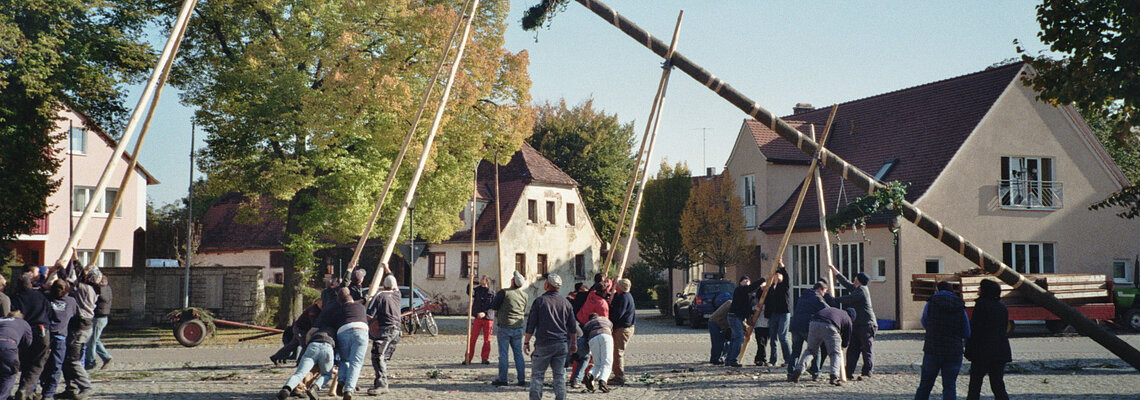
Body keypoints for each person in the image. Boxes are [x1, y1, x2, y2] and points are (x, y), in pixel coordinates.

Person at [524, 274, 577, 400]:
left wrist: (526, 342)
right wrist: (574, 343)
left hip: (544, 343)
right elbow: (572, 326)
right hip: (561, 343)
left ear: (547, 284)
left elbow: (531, 324)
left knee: (537, 375)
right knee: (559, 375)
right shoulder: (566, 303)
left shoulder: (540, 301)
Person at [915, 281, 970, 400]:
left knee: (925, 385)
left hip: (933, 347)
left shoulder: (931, 302)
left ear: (937, 290)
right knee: (950, 386)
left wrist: (932, 331)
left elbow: (924, 320)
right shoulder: (960, 305)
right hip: (954, 349)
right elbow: (966, 330)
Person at [58, 267, 100, 399]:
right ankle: (71, 388)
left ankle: (86, 386)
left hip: (80, 327)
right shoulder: (93, 288)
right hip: (83, 326)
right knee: (67, 359)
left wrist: (60, 268)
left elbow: (66, 282)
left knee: (72, 359)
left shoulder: (84, 288)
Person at [965, 279, 1010, 400]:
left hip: (982, 351)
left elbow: (975, 329)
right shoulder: (1002, 307)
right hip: (1000, 350)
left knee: (975, 384)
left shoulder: (981, 305)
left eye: (980, 288)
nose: (978, 290)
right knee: (997, 384)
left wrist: (969, 349)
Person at [831, 265, 877, 380]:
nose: (854, 279)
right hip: (857, 324)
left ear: (859, 280)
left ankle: (867, 373)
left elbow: (849, 299)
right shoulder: (857, 288)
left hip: (867, 324)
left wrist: (834, 299)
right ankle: (848, 372)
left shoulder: (862, 290)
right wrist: (835, 272)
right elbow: (846, 283)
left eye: (856, 278)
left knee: (867, 349)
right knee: (853, 350)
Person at [790, 306, 854, 387]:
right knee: (835, 353)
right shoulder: (847, 318)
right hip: (830, 325)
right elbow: (847, 337)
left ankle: (799, 370)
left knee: (810, 351)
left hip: (814, 323)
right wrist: (843, 345)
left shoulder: (835, 310)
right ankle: (834, 376)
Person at [11, 273, 50, 400]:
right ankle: (25, 389)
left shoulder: (16, 298)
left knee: (26, 362)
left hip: (24, 332)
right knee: (38, 363)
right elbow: (49, 312)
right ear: (31, 284)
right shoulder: (41, 296)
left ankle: (26, 390)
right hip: (41, 331)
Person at [276, 325, 337, 400]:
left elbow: (309, 334)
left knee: (300, 373)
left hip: (312, 345)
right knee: (326, 374)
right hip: (328, 347)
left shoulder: (318, 323)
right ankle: (314, 388)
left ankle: (287, 388)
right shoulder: (336, 327)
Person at [788, 281, 833, 381]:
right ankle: (816, 373)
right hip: (807, 326)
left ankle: (790, 373)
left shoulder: (802, 296)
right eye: (824, 291)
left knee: (796, 351)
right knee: (815, 349)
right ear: (819, 289)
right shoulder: (817, 297)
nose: (824, 294)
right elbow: (828, 310)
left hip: (795, 326)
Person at [491, 272, 528, 387]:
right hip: (518, 327)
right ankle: (521, 379)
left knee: (503, 354)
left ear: (512, 281)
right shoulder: (524, 295)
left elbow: (494, 306)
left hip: (505, 326)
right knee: (518, 354)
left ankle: (503, 379)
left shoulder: (504, 293)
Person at [366, 274, 402, 396]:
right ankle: (379, 383)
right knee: (383, 358)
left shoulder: (379, 296)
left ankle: (382, 385)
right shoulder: (397, 295)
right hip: (397, 331)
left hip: (385, 330)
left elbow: (369, 315)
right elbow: (394, 285)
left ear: (383, 285)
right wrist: (386, 268)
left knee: (377, 356)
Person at [40, 280, 76, 400]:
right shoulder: (71, 301)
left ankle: (34, 388)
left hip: (45, 334)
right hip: (60, 336)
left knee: (40, 363)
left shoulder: (46, 297)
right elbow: (74, 316)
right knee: (56, 366)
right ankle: (48, 394)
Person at [334, 287, 369, 400]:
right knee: (356, 362)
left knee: (344, 360)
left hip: (343, 330)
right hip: (361, 330)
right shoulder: (361, 307)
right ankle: (349, 390)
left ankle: (341, 380)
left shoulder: (339, 310)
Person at [270, 300, 322, 366]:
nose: (322, 305)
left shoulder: (320, 310)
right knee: (305, 345)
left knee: (292, 345)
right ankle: (300, 363)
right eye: (321, 303)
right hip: (300, 329)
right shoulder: (313, 310)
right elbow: (313, 323)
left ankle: (275, 357)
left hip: (302, 329)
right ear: (318, 302)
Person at [608, 278, 635, 387]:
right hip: (623, 328)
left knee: (618, 352)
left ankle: (619, 377)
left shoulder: (624, 298)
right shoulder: (621, 296)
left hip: (623, 328)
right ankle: (617, 374)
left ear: (620, 287)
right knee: (617, 351)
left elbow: (618, 314)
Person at [764, 267, 792, 370]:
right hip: (773, 314)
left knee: (783, 336)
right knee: (773, 338)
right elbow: (766, 299)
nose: (777, 276)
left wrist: (783, 267)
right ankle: (773, 360)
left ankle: (788, 360)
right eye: (775, 275)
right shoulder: (772, 287)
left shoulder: (784, 286)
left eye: (778, 275)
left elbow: (787, 278)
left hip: (784, 313)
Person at [0, 311, 31, 400]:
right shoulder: (23, 323)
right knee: (10, 374)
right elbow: (27, 342)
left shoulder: (1, 320)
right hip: (8, 346)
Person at [465, 275, 495, 365]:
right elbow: (469, 292)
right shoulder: (477, 290)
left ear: (487, 281)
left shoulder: (492, 293)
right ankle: (468, 358)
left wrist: (485, 313)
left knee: (487, 339)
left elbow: (493, 306)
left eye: (483, 278)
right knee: (472, 338)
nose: (481, 279)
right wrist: (470, 281)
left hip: (487, 318)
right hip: (478, 317)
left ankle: (485, 358)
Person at [724, 275, 753, 368]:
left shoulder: (748, 294)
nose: (746, 282)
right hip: (734, 316)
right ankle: (733, 360)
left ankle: (729, 360)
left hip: (738, 317)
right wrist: (763, 279)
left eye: (748, 280)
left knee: (734, 338)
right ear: (740, 283)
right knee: (739, 338)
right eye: (744, 280)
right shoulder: (739, 290)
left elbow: (746, 308)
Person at [580, 313, 613, 393]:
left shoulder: (587, 324)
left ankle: (590, 375)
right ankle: (603, 381)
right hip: (606, 336)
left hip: (593, 338)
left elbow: (585, 337)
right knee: (607, 362)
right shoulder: (606, 320)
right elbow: (611, 329)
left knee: (597, 363)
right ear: (598, 316)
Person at [85, 275, 112, 370]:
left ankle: (90, 361)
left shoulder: (102, 290)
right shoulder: (107, 289)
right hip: (102, 317)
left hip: (99, 318)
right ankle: (106, 357)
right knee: (95, 339)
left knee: (91, 340)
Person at [706, 292, 732, 365]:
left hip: (720, 323)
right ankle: (715, 359)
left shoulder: (730, 303)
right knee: (718, 342)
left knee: (725, 341)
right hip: (715, 323)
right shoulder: (731, 304)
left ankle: (719, 357)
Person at [750, 278, 769, 366]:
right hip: (759, 323)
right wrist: (756, 308)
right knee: (760, 342)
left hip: (767, 323)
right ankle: (763, 358)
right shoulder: (756, 297)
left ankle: (758, 358)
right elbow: (752, 307)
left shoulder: (770, 297)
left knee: (764, 342)